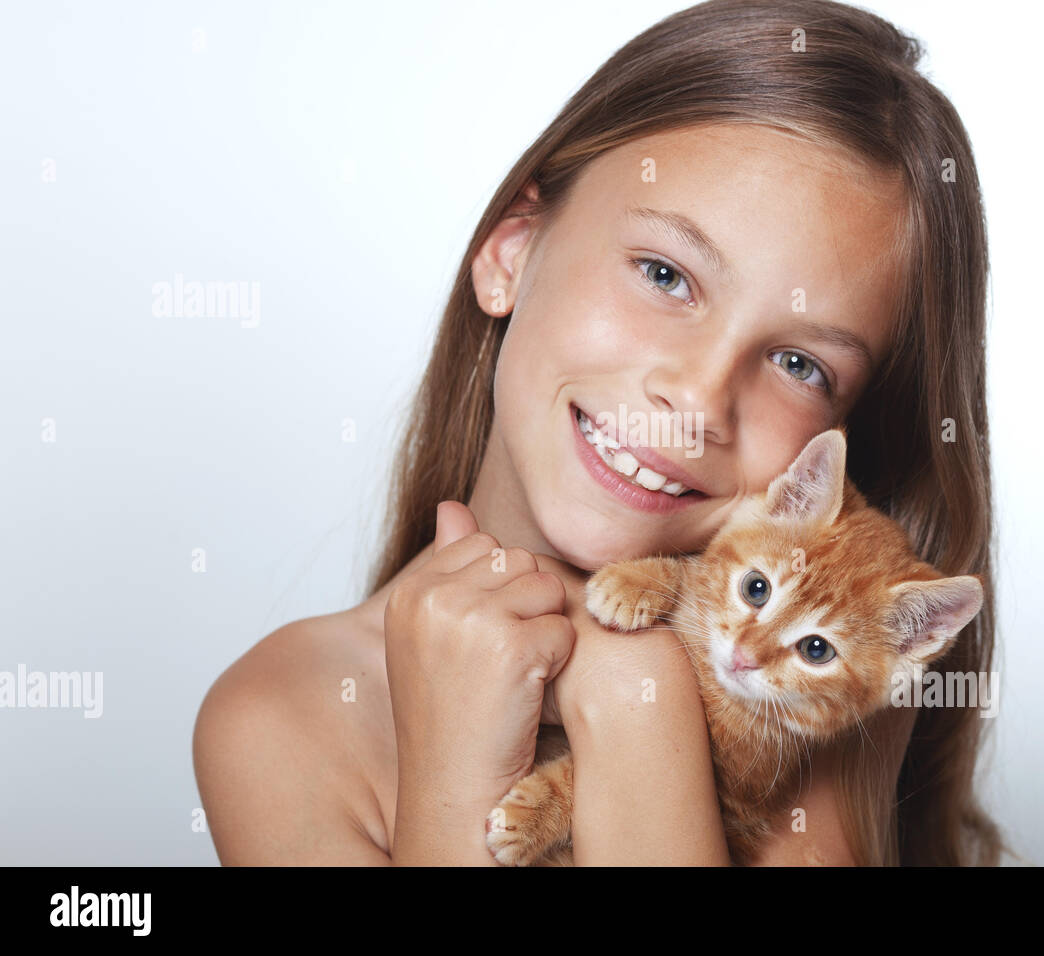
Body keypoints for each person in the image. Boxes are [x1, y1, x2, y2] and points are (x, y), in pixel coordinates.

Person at [193, 0, 1002, 866]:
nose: (697, 395)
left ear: (838, 437)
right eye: (665, 274)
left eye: (801, 364)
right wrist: (453, 777)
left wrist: (634, 694)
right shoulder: (278, 715)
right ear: (511, 251)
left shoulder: (824, 692)